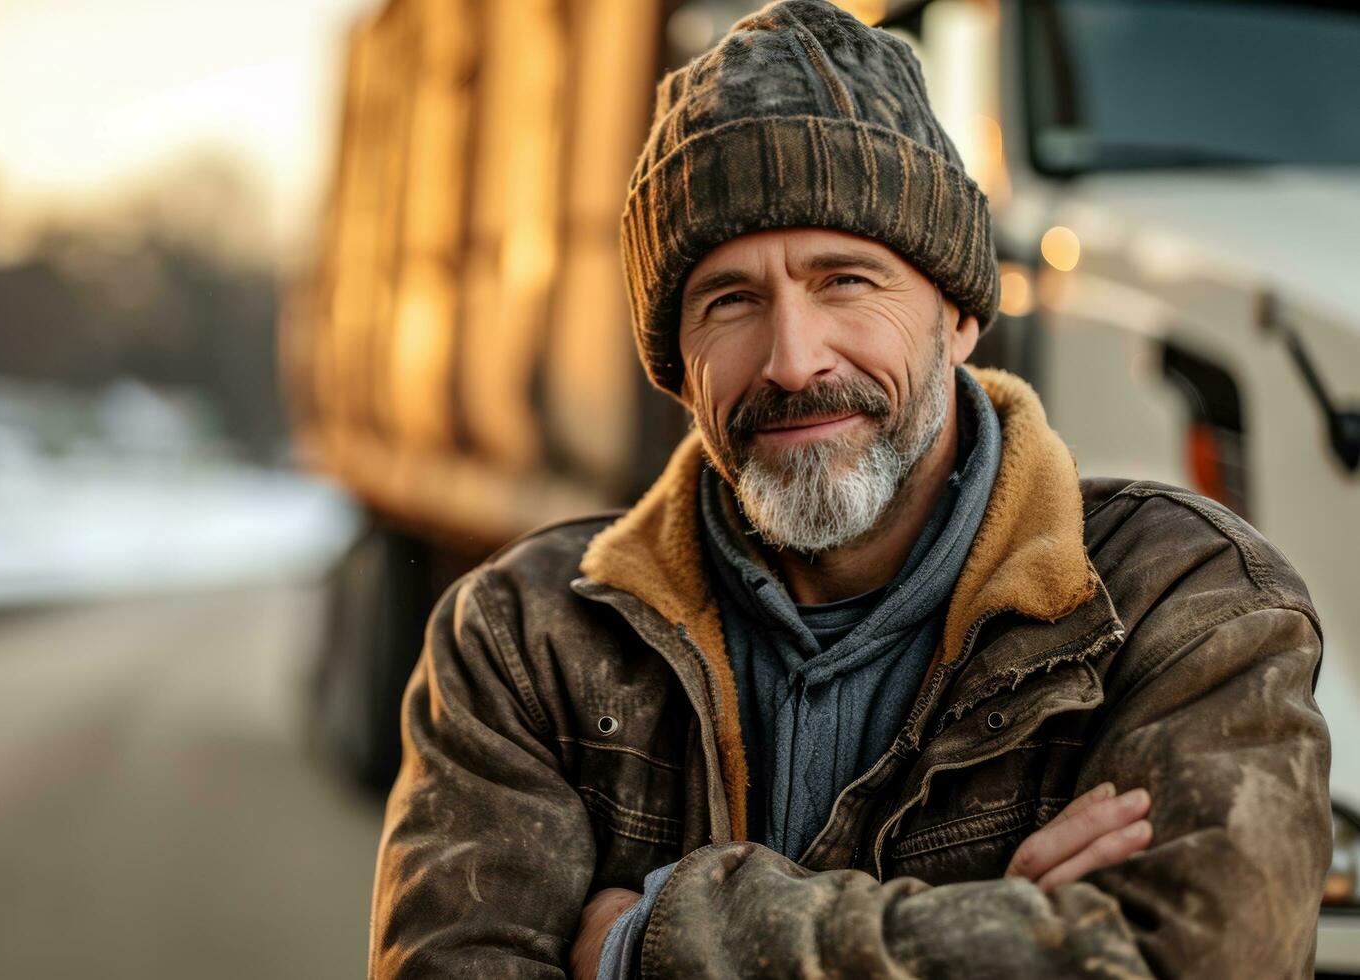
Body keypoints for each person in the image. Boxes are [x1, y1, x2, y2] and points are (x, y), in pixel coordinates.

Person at [368, 1, 1330, 976]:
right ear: (677, 362)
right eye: (731, 299)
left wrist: (646, 944)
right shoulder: (527, 637)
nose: (792, 359)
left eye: (845, 281)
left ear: (957, 315)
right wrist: (1011, 933)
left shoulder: (1186, 608)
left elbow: (1204, 957)